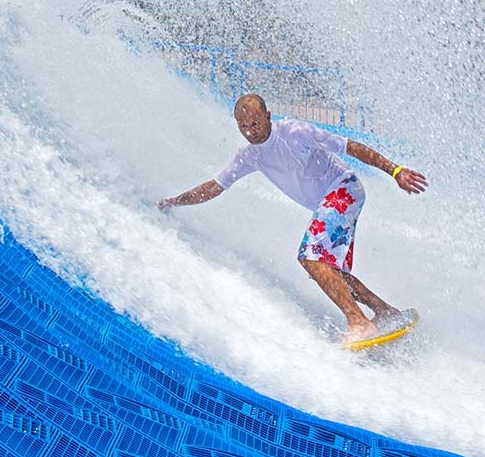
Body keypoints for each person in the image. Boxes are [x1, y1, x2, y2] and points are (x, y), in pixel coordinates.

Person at [158, 93, 428, 345]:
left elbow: (351, 147)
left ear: (268, 116)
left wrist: (395, 171)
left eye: (254, 122)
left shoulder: (296, 133)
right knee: (326, 270)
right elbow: (215, 186)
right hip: (331, 200)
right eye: (243, 126)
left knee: (310, 257)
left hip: (344, 187)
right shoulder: (249, 155)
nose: (250, 131)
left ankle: (359, 322)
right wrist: (175, 201)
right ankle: (385, 312)